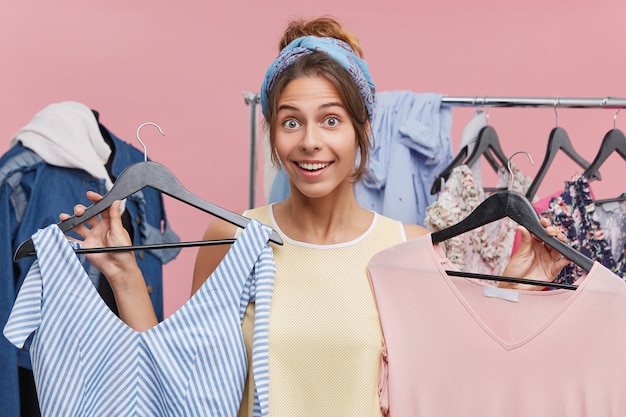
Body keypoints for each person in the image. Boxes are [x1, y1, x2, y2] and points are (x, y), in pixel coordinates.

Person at [62, 16, 572, 417]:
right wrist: (124, 274)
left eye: (331, 120)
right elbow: (182, 383)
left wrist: (522, 288)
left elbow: (461, 383)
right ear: (271, 130)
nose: (310, 141)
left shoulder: (410, 249)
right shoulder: (233, 238)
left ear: (361, 129)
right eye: (291, 121)